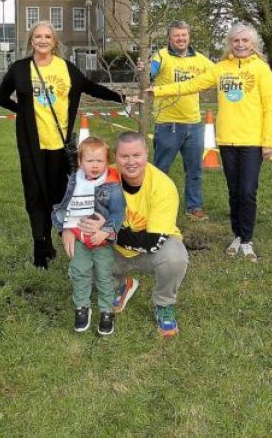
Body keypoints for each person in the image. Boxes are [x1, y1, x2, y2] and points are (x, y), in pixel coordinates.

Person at [0, 21, 127, 269]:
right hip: (32, 146)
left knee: (59, 195)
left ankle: (60, 237)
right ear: (31, 41)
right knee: (35, 195)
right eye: (38, 36)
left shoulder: (66, 69)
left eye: (47, 36)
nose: (42, 40)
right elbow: (0, 98)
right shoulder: (20, 69)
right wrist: (23, 112)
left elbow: (91, 88)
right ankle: (40, 246)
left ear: (54, 42)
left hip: (60, 146)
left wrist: (122, 97)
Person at [148, 22, 272, 262]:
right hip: (227, 140)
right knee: (234, 190)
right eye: (236, 41)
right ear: (230, 43)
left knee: (248, 191)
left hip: (252, 141)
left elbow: (270, 108)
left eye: (245, 41)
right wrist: (157, 91)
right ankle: (237, 235)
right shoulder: (221, 68)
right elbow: (191, 85)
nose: (240, 45)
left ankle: (247, 240)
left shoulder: (262, 70)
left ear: (253, 44)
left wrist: (267, 141)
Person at [78, 132, 189, 337]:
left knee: (175, 257)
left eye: (136, 155)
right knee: (81, 254)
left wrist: (108, 231)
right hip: (115, 249)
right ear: (115, 157)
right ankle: (120, 287)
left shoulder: (163, 186)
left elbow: (152, 242)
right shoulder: (102, 179)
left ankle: (163, 305)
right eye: (124, 156)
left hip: (152, 250)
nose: (131, 162)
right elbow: (84, 218)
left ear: (146, 154)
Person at [52, 137, 125, 335]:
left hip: (101, 240)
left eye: (100, 161)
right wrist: (66, 228)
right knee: (79, 270)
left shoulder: (111, 185)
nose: (94, 166)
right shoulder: (75, 180)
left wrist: (105, 231)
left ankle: (106, 310)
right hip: (79, 237)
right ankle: (82, 307)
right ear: (80, 162)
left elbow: (119, 213)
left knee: (104, 274)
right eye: (89, 161)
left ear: (107, 161)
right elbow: (65, 205)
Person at [143, 20, 214, 221]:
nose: (181, 39)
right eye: (176, 35)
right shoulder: (161, 56)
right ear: (170, 38)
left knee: (194, 170)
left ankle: (194, 207)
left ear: (188, 36)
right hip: (168, 124)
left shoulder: (200, 59)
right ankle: (153, 205)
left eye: (184, 35)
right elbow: (149, 74)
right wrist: (144, 69)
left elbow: (218, 73)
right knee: (160, 169)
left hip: (194, 124)